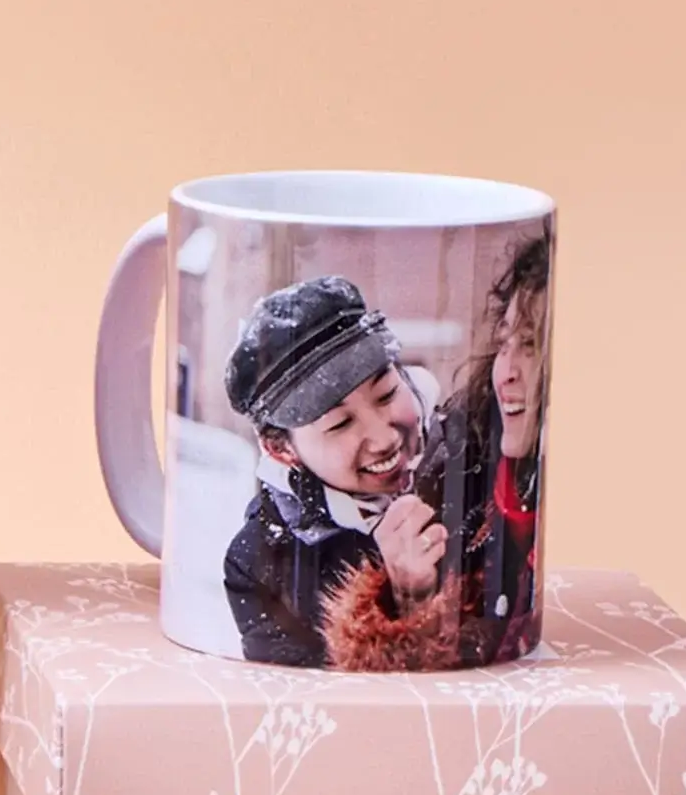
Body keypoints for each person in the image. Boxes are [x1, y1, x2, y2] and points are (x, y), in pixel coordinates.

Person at [321, 230, 552, 671]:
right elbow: (430, 678)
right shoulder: (457, 468)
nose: (506, 372)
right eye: (504, 343)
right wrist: (408, 599)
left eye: (530, 344)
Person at [221, 275, 440, 668]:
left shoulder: (469, 456)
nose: (383, 437)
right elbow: (309, 708)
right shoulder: (260, 564)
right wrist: (401, 603)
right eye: (340, 424)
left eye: (387, 393)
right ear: (281, 449)